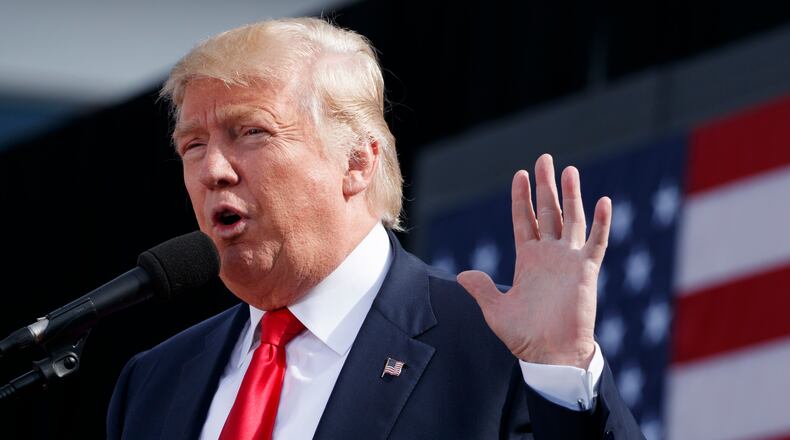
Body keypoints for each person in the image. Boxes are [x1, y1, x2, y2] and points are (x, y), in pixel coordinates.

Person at [107, 17, 643, 439]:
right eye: (192, 145)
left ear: (358, 163)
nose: (212, 170)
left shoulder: (499, 347)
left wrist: (561, 377)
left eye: (251, 131)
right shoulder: (155, 381)